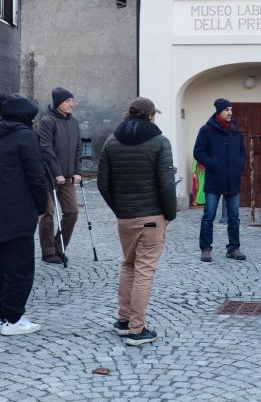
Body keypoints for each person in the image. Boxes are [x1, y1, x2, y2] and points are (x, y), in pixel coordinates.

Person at [98, 97, 177, 345]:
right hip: (152, 216)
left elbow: (103, 183)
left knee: (128, 265)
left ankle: (123, 321)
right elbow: (167, 185)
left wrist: (119, 209)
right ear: (151, 115)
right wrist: (170, 214)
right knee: (144, 271)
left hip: (126, 217)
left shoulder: (112, 141)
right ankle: (136, 329)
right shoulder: (160, 142)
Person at [0, 94, 48, 335]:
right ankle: (13, 319)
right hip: (18, 211)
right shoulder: (25, 136)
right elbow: (36, 176)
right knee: (19, 267)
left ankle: (0, 317)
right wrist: (41, 207)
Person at [194, 98, 246, 262]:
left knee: (234, 216)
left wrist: (239, 165)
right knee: (209, 215)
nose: (230, 113)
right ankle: (206, 249)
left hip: (233, 179)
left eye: (231, 109)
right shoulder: (206, 130)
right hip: (214, 179)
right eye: (226, 110)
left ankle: (234, 248)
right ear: (219, 111)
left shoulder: (236, 130)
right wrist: (213, 164)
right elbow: (198, 152)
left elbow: (242, 152)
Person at [37, 87, 82, 264]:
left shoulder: (74, 122)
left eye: (72, 100)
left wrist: (77, 171)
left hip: (68, 176)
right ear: (58, 103)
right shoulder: (47, 121)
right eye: (67, 101)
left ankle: (58, 247)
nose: (71, 104)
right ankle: (48, 252)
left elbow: (78, 148)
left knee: (72, 212)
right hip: (48, 176)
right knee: (47, 214)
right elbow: (46, 149)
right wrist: (57, 173)